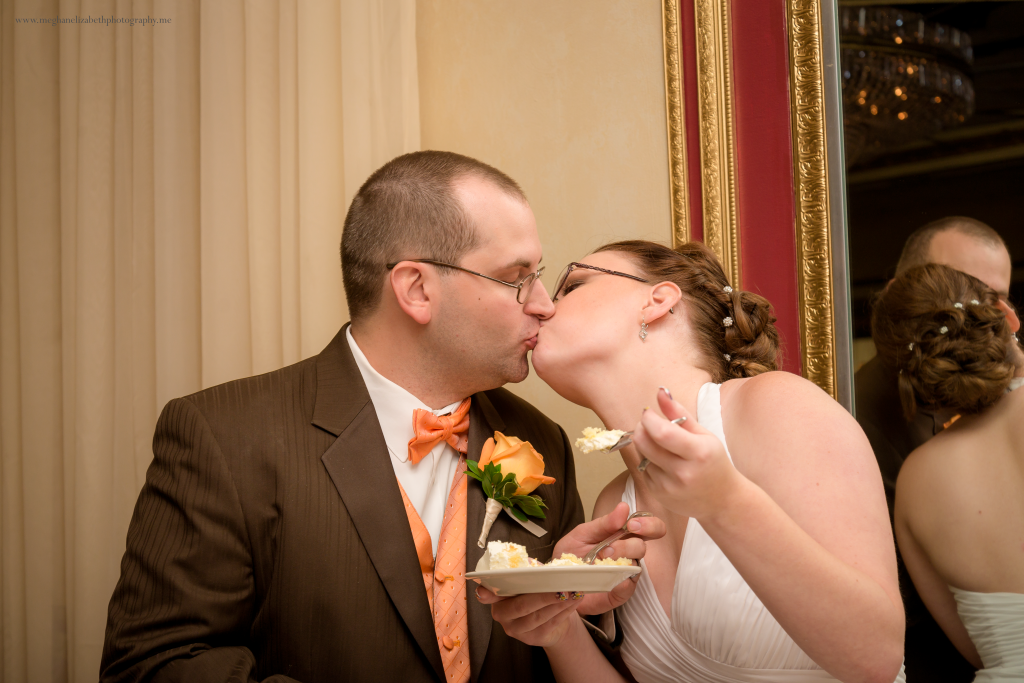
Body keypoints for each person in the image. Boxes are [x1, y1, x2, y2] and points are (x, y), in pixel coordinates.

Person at [99, 151, 663, 683]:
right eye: (516, 278)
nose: (543, 302)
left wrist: (565, 605)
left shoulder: (541, 440)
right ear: (416, 289)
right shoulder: (223, 435)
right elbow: (152, 664)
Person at [478, 240, 906, 682]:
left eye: (573, 285)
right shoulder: (613, 506)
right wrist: (558, 624)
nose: (544, 306)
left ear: (657, 301)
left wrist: (724, 503)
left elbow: (876, 659)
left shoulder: (776, 408)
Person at [855, 216, 1013, 681]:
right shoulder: (862, 415)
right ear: (902, 294)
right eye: (964, 288)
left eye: (996, 298)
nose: (983, 313)